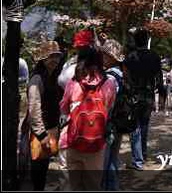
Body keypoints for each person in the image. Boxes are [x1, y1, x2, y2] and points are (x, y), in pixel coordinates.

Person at [60, 47, 117, 191]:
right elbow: (109, 107)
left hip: (70, 140)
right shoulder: (109, 83)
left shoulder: (73, 83)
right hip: (96, 143)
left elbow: (64, 108)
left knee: (69, 186)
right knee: (93, 185)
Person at [58, 29, 96, 187]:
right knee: (91, 182)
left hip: (71, 131)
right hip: (95, 133)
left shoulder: (70, 72)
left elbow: (63, 105)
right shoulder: (103, 76)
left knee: (69, 180)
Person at [27, 40, 63, 191]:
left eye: (56, 56)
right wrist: (42, 135)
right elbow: (34, 109)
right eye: (50, 56)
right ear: (43, 59)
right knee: (38, 170)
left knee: (44, 165)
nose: (54, 60)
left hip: (52, 128)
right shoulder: (37, 79)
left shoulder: (54, 76)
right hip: (41, 132)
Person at [125, 28, 163, 169]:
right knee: (145, 125)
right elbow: (159, 78)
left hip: (134, 95)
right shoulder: (154, 56)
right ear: (147, 40)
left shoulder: (130, 57)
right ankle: (143, 153)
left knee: (134, 126)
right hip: (148, 95)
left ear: (135, 40)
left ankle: (138, 159)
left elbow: (126, 77)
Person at [100, 39, 126, 191]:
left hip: (110, 124)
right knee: (113, 160)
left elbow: (107, 104)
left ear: (110, 57)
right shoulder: (122, 74)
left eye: (105, 54)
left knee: (106, 162)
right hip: (119, 122)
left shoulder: (110, 77)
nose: (102, 57)